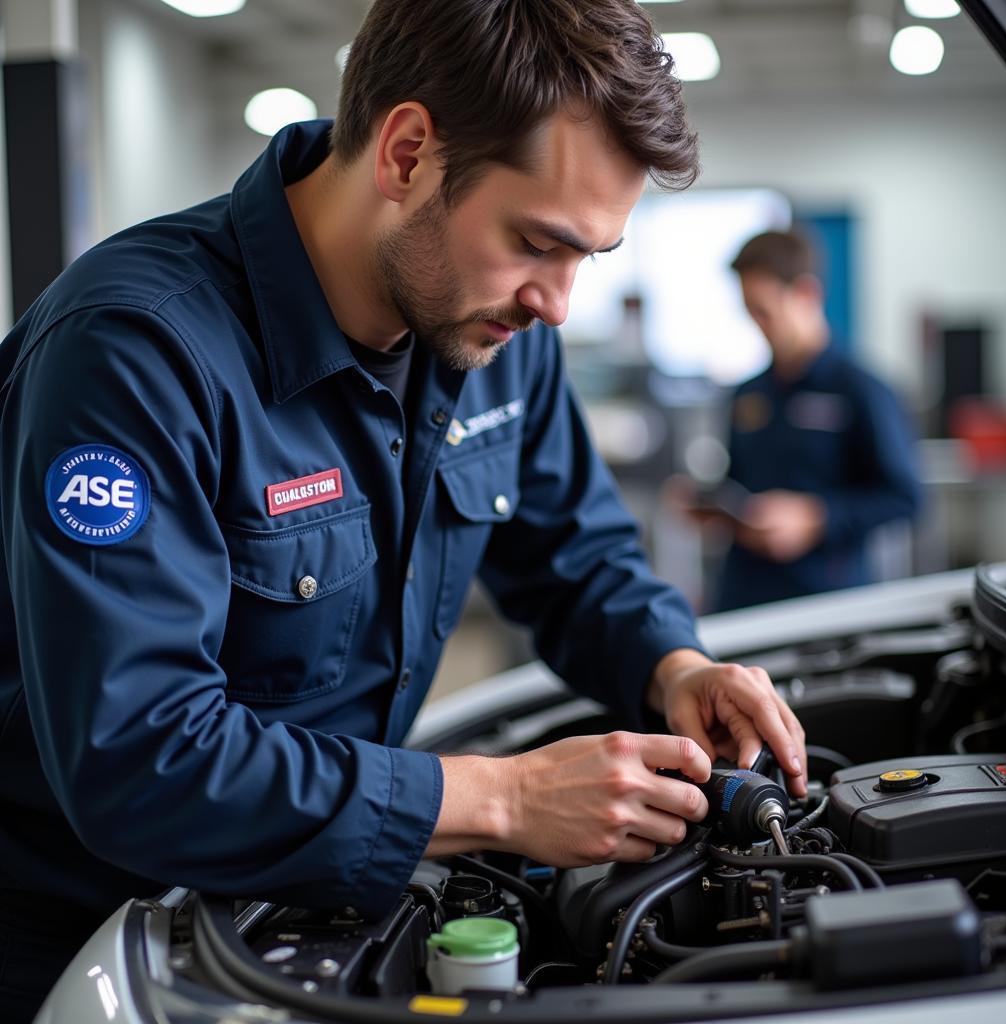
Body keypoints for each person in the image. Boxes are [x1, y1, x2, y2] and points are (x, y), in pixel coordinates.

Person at [0, 2, 806, 1016]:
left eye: (584, 259)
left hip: (315, 919)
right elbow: (141, 754)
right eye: (535, 242)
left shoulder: (491, 330)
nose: (555, 302)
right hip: (95, 958)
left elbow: (574, 554)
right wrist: (500, 798)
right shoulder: (134, 353)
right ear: (408, 152)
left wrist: (672, 665)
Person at [692, 229, 921, 611]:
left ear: (806, 295)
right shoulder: (748, 394)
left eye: (765, 311)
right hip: (744, 596)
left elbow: (904, 497)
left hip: (824, 603)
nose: (757, 325)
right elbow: (738, 482)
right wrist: (710, 505)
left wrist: (817, 518)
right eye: (750, 311)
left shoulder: (862, 390)